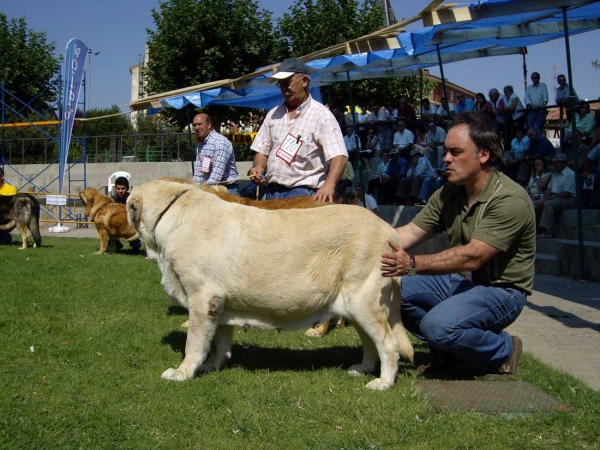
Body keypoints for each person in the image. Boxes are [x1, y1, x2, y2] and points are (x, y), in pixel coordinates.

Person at [380, 111, 534, 378]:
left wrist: (412, 264)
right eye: (446, 151)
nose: (446, 159)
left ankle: (503, 349)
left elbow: (472, 257)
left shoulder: (510, 199)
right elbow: (409, 233)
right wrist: (360, 243)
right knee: (384, 290)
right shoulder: (450, 191)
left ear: (483, 155)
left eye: (455, 152)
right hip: (462, 283)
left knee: (438, 326)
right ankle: (451, 351)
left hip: (502, 291)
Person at [249, 58, 347, 201]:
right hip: (271, 193)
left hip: (303, 195)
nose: (283, 88)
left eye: (287, 82)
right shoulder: (273, 114)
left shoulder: (322, 116)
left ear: (304, 81)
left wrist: (329, 185)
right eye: (280, 84)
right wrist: (258, 167)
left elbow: (340, 156)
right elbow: (262, 151)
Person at [192, 113, 240, 195]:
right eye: (195, 125)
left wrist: (203, 190)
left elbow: (217, 173)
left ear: (209, 125)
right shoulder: (201, 144)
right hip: (211, 188)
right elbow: (198, 172)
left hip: (228, 190)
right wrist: (194, 189)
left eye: (199, 124)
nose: (197, 128)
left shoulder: (220, 142)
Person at [533, 153, 576, 238]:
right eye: (554, 163)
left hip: (567, 198)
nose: (554, 165)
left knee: (548, 204)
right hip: (554, 196)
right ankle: (534, 228)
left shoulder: (570, 174)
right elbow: (549, 189)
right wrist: (545, 199)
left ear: (564, 163)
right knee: (534, 204)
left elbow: (567, 192)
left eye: (557, 162)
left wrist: (550, 199)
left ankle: (547, 230)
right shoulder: (554, 174)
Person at [112, 176, 142, 253]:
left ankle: (136, 246)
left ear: (128, 188)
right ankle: (116, 245)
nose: (120, 191)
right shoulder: (111, 200)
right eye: (118, 189)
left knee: (136, 247)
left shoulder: (132, 199)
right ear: (115, 188)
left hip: (131, 226)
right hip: (116, 226)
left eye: (123, 188)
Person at [523, 72, 549, 136]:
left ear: (539, 78)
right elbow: (526, 99)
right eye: (532, 78)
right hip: (531, 110)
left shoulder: (543, 86)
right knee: (531, 126)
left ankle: (538, 141)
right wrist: (531, 105)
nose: (534, 79)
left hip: (541, 109)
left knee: (538, 127)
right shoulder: (529, 88)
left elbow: (545, 96)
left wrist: (544, 104)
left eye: (535, 77)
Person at [0, 167, 18, 245]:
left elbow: (10, 206)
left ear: (2, 176)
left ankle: (6, 238)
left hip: (7, 217)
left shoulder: (11, 189)